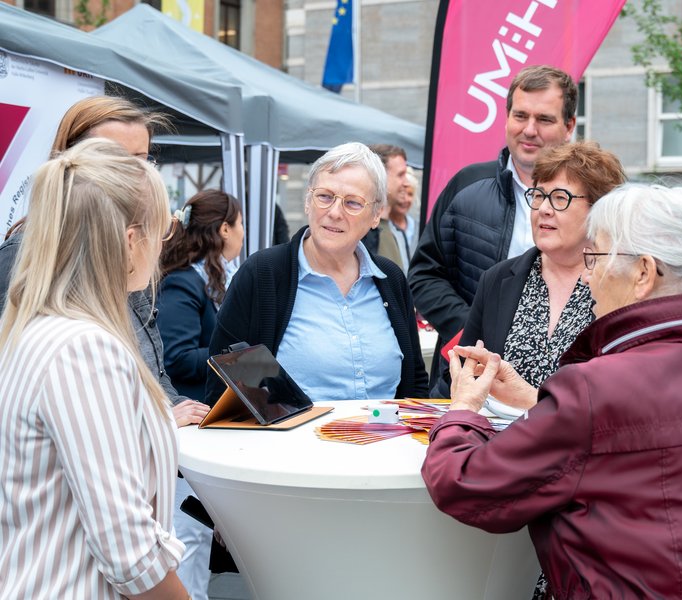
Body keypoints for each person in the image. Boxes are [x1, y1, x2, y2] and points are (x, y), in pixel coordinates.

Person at [422, 183, 682, 599]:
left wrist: (463, 409)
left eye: (596, 256)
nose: (587, 274)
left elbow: (466, 487)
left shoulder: (595, 386)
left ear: (643, 272)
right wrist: (538, 401)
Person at [0, 138, 190, 599]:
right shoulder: (84, 349)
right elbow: (131, 554)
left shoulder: (39, 329)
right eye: (162, 230)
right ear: (130, 242)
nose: (164, 248)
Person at [206, 142, 428, 405]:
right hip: (291, 445)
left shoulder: (389, 279)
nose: (334, 212)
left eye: (353, 203)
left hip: (387, 442)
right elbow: (228, 389)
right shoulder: (265, 276)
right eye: (325, 196)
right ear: (307, 202)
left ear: (376, 214)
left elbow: (414, 382)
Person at [408, 64, 577, 383]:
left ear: (569, 125)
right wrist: (468, 330)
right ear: (506, 117)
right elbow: (424, 274)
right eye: (520, 115)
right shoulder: (467, 186)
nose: (529, 129)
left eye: (543, 119)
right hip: (471, 376)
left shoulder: (592, 202)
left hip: (559, 384)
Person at [432, 141, 625, 398]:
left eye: (559, 198)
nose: (544, 209)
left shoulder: (620, 284)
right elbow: (459, 376)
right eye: (538, 195)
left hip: (584, 437)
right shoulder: (498, 279)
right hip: (498, 436)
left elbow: (622, 399)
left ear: (597, 210)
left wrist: (531, 402)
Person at [158, 189, 244, 400]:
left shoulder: (221, 277)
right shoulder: (181, 282)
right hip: (198, 410)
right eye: (241, 224)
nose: (243, 232)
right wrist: (242, 355)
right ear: (225, 229)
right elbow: (177, 358)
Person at [361, 144, 407, 268]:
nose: (406, 183)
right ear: (381, 175)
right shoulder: (361, 232)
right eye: (400, 175)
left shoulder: (397, 231)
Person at [385, 166, 420, 273]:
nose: (405, 199)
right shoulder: (383, 228)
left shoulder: (419, 227)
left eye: (410, 194)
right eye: (401, 193)